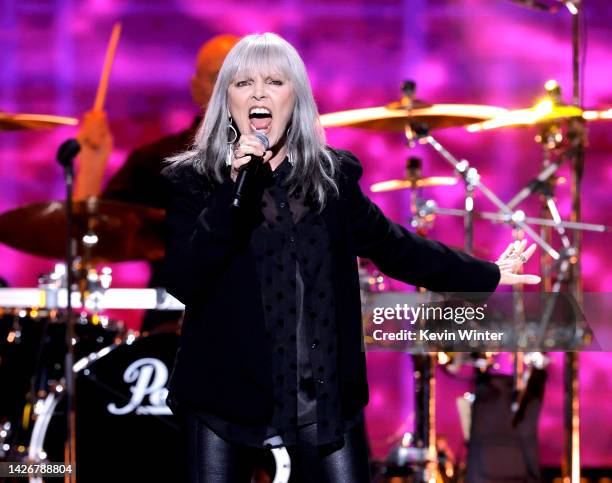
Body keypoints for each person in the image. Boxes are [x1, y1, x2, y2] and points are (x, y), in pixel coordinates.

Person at [161, 33, 540, 483]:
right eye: (244, 83)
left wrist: (487, 273)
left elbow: (395, 247)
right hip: (223, 393)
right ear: (227, 100)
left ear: (295, 98)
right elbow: (186, 278)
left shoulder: (330, 179)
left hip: (320, 395)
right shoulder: (194, 181)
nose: (259, 93)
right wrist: (233, 192)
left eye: (274, 82)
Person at [73, 34, 239, 332]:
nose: (235, 87)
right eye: (219, 77)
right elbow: (88, 240)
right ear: (196, 89)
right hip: (175, 328)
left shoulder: (288, 162)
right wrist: (91, 168)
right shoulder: (158, 161)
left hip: (271, 330)